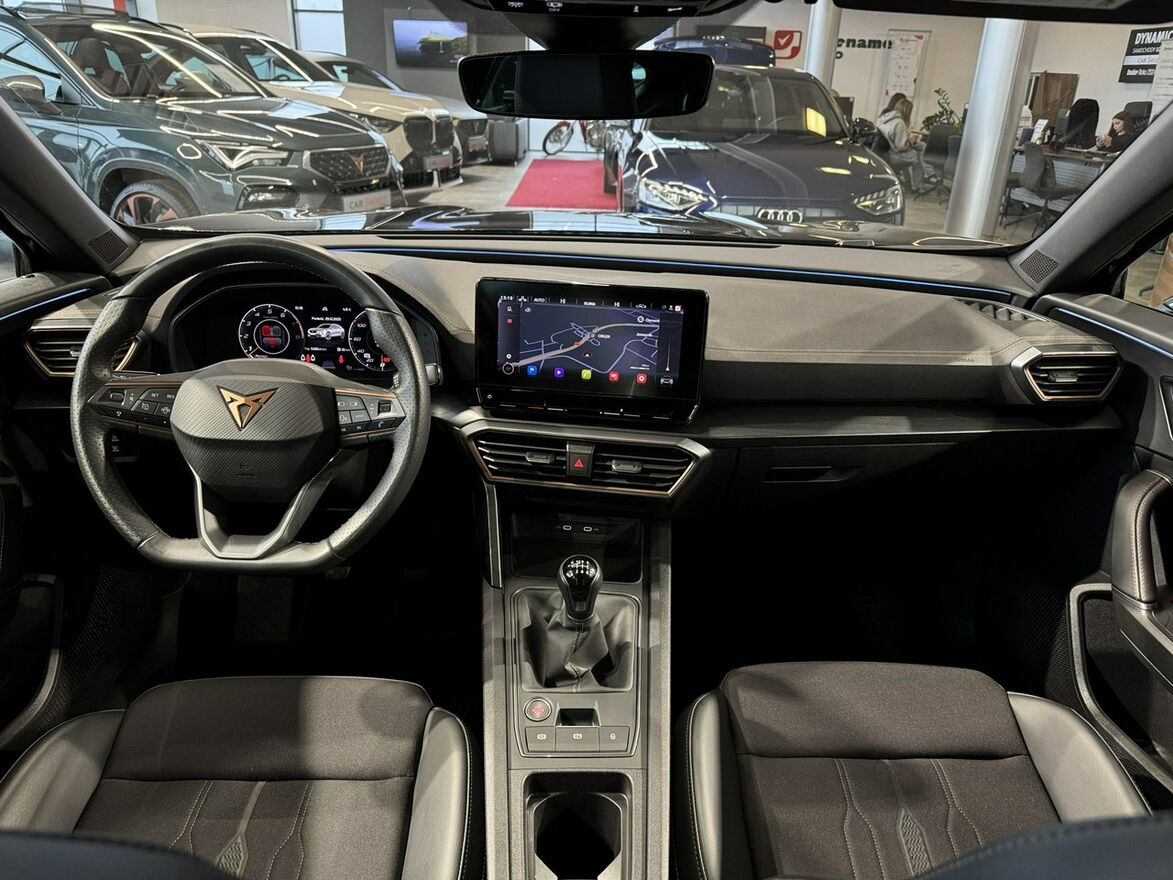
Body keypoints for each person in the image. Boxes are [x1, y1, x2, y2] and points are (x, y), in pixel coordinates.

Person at [876, 96, 931, 191]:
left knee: (921, 146)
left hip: (886, 153)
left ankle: (924, 177)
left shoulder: (885, 119)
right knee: (917, 158)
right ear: (907, 111)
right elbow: (901, 147)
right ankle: (919, 184)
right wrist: (912, 141)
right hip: (894, 156)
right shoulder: (899, 123)